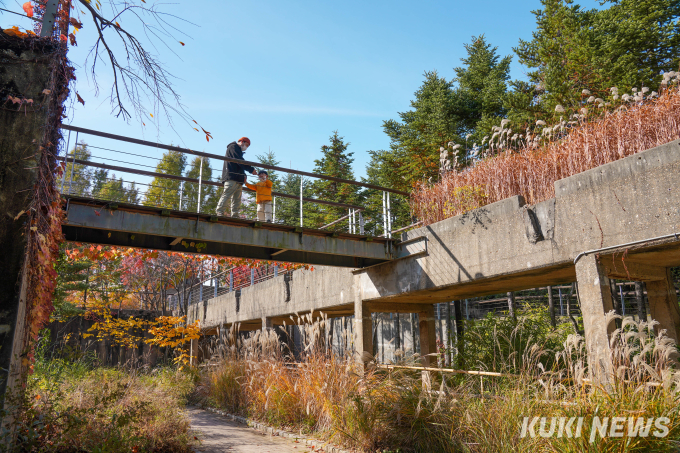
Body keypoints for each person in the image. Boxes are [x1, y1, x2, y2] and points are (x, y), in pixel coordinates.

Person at [216, 137, 257, 217]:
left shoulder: (237, 150)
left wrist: (243, 175)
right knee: (227, 194)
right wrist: (250, 169)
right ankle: (220, 211)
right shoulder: (233, 147)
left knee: (237, 198)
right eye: (246, 145)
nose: (246, 147)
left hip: (238, 178)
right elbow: (239, 161)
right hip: (231, 176)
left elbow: (239, 163)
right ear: (242, 142)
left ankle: (235, 214)